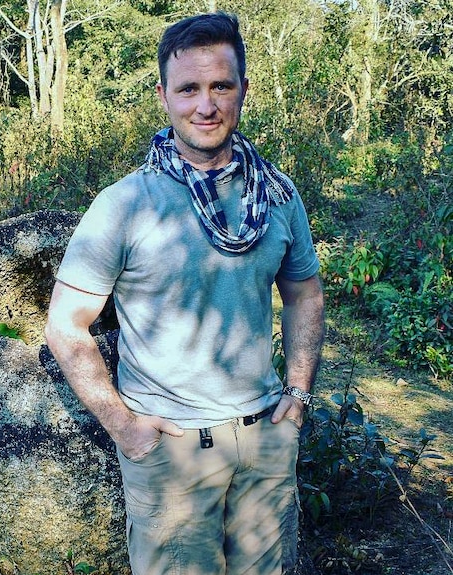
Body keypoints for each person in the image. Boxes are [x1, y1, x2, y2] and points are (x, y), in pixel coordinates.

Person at [44, 12, 325, 575]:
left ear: (243, 89)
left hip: (265, 439)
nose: (206, 105)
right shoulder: (124, 205)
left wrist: (297, 392)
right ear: (163, 96)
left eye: (221, 85)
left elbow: (305, 294)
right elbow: (65, 325)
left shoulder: (277, 194)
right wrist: (125, 428)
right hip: (171, 451)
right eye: (188, 88)